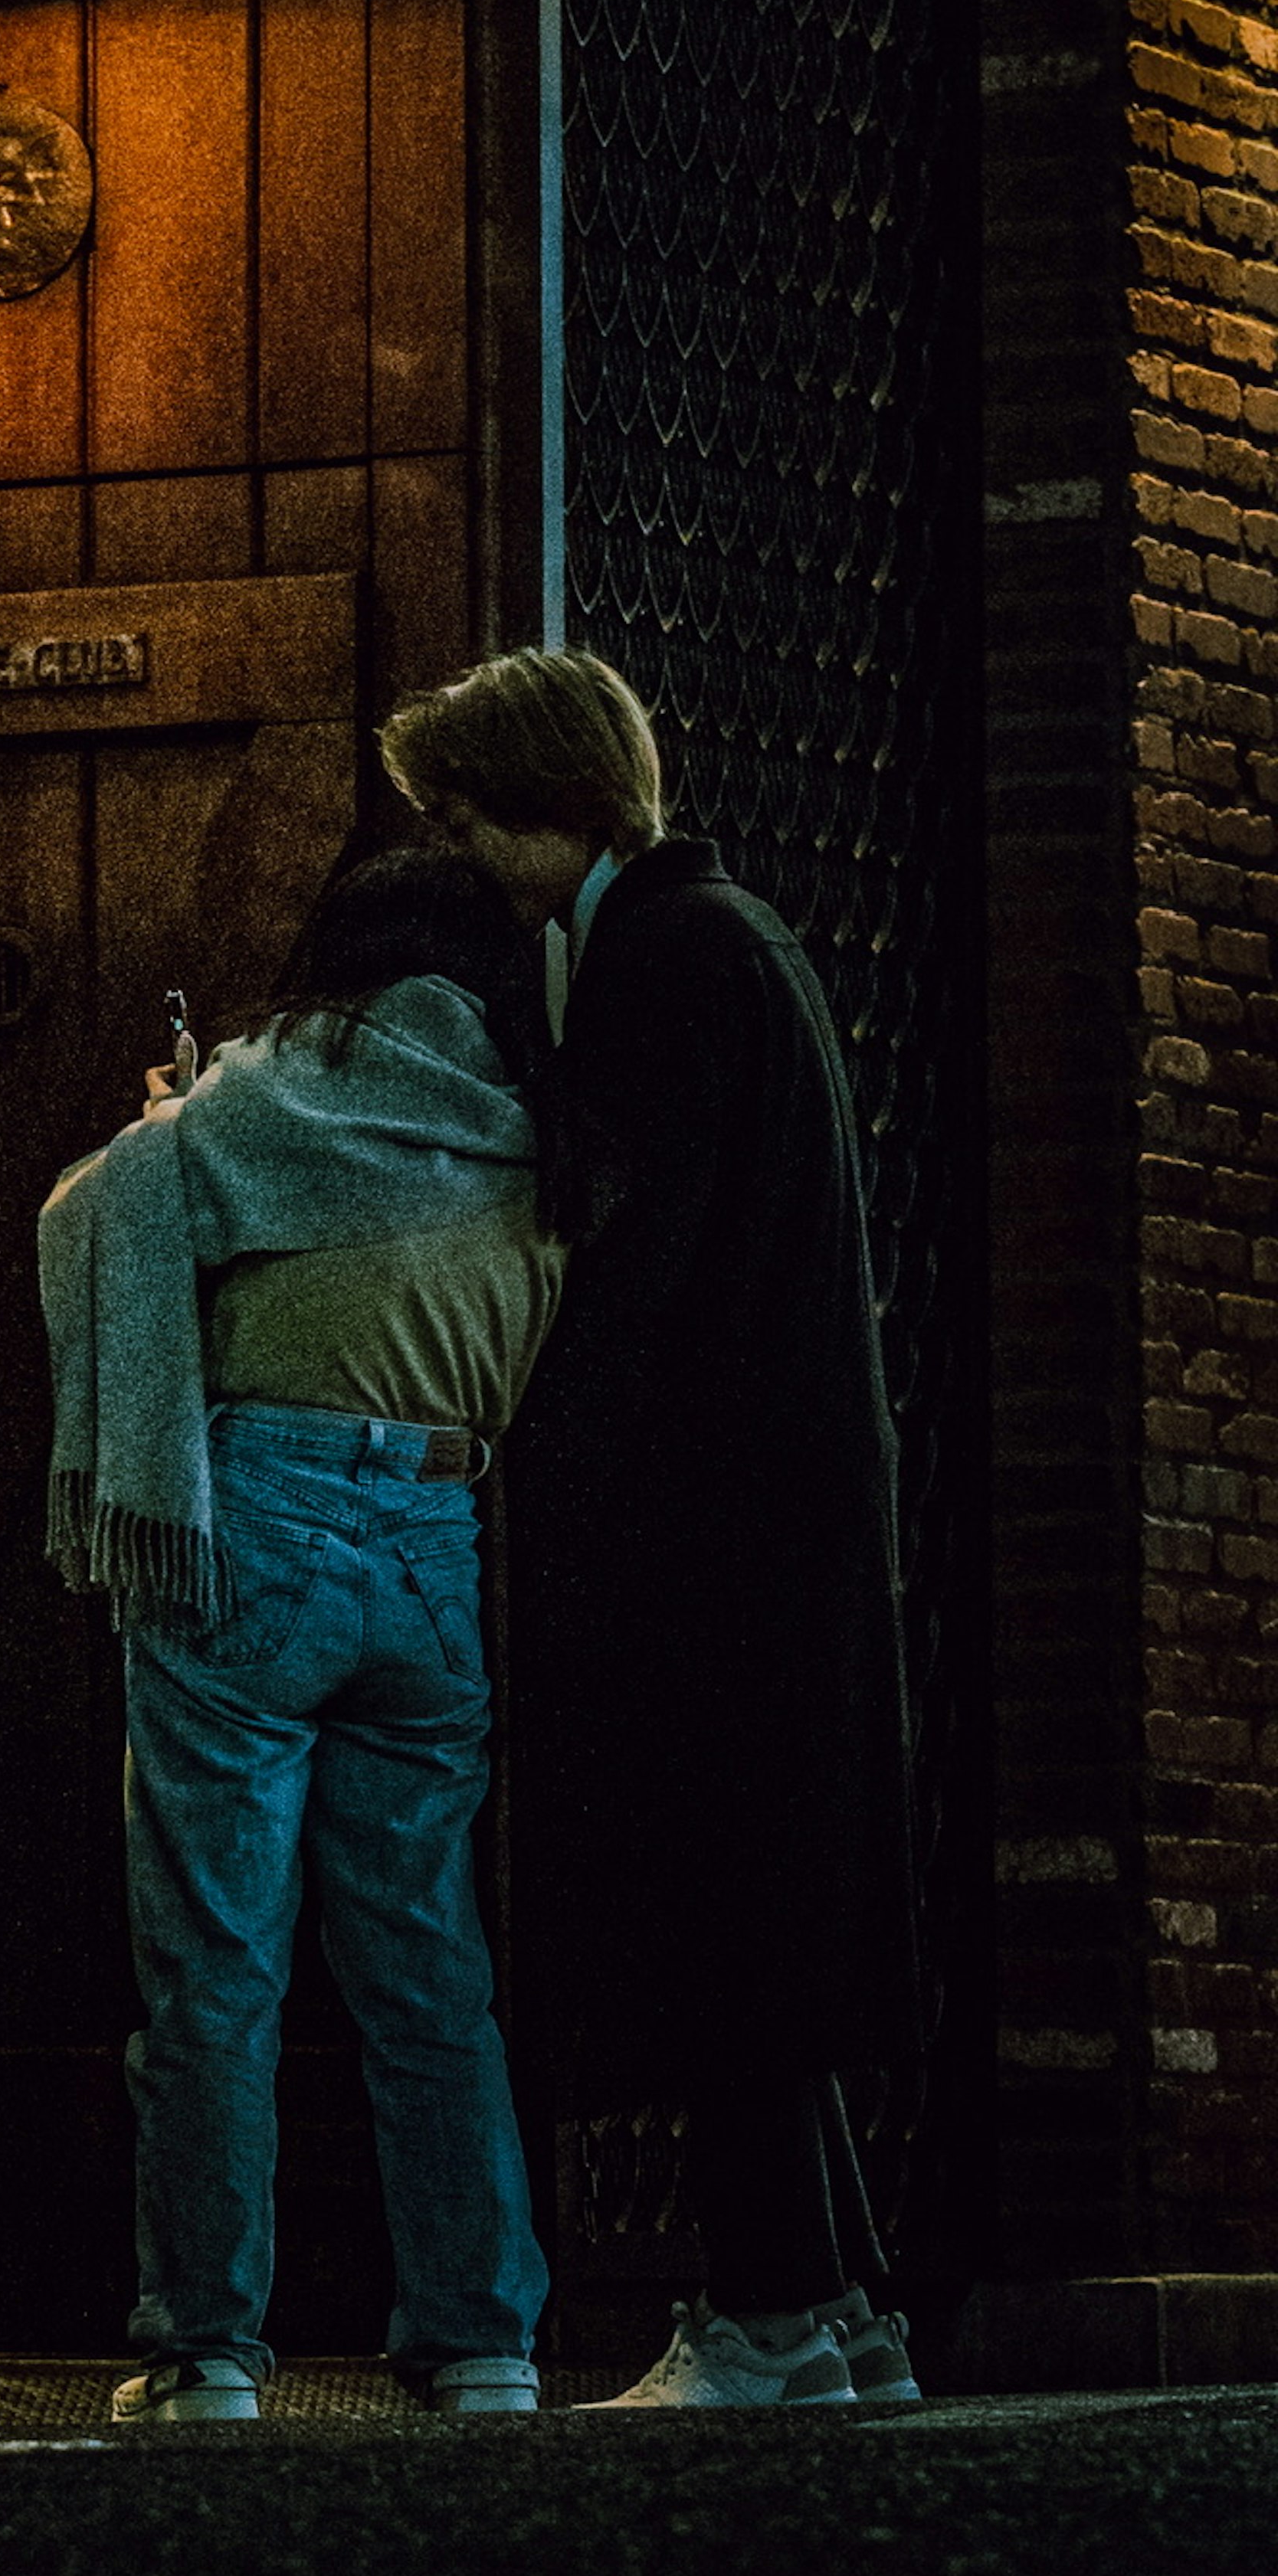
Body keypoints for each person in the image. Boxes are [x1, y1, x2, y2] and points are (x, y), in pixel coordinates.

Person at [378, 644, 924, 2415]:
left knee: (723, 1914)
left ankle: (764, 2313)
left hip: (715, 1527)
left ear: (552, 806)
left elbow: (630, 1258)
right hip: (796, 1508)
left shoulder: (657, 965)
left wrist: (521, 1450)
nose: (458, 853)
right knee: (777, 1901)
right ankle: (837, 2298)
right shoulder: (741, 937)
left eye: (467, 813)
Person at [41, 848, 565, 2433]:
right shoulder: (534, 1119)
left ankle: (206, 2350)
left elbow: (93, 1215)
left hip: (249, 1520)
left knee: (217, 1954)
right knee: (428, 1959)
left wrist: (160, 1121)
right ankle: (483, 2339)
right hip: (437, 1523)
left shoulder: (274, 1095)